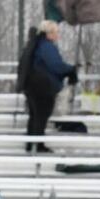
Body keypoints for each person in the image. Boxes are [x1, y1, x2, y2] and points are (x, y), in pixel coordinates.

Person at [21, 20, 77, 153]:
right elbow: (56, 65)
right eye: (56, 32)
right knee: (41, 116)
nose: (58, 35)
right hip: (43, 88)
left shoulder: (37, 44)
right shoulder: (47, 46)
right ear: (49, 33)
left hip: (32, 86)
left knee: (35, 116)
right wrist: (71, 69)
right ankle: (37, 145)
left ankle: (32, 144)